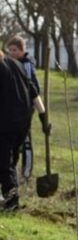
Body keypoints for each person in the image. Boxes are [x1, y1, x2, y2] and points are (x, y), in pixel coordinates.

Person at [0, 44, 49, 212]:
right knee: (10, 161)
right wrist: (44, 119)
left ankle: (12, 202)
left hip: (6, 123)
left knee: (4, 162)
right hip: (23, 124)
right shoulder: (17, 65)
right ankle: (7, 196)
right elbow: (34, 92)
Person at [5, 35, 46, 183]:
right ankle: (13, 171)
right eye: (10, 50)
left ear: (23, 50)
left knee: (26, 142)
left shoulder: (26, 65)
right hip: (14, 109)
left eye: (15, 50)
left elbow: (32, 88)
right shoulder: (11, 64)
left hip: (25, 109)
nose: (12, 53)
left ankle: (26, 173)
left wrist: (39, 113)